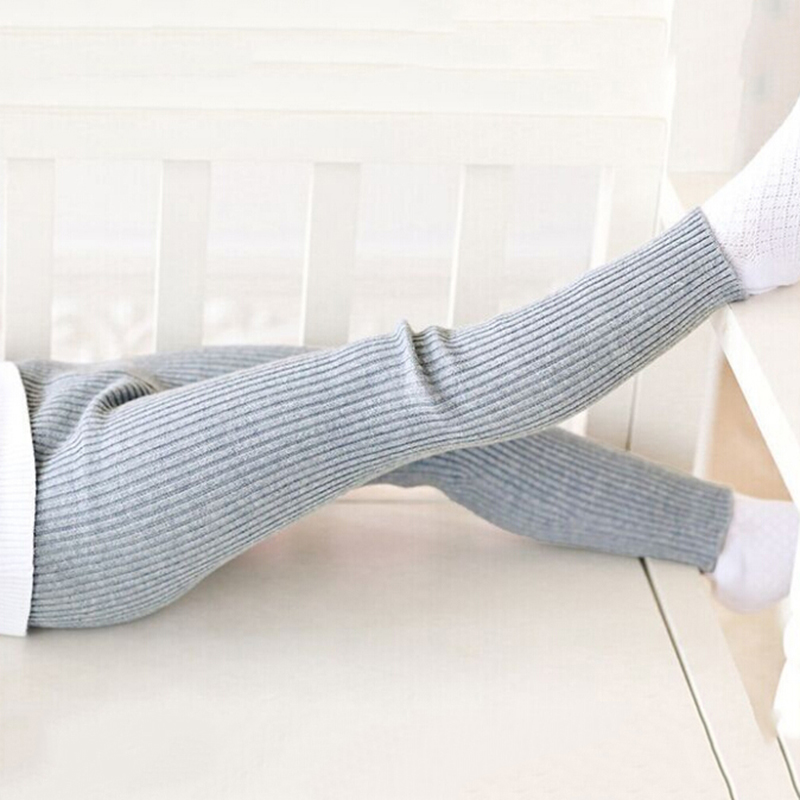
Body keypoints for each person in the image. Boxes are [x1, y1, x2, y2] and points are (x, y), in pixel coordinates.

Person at [2, 97, 799, 636]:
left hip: (35, 404)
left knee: (420, 437)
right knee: (418, 387)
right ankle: (739, 245)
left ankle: (741, 539)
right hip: (57, 525)